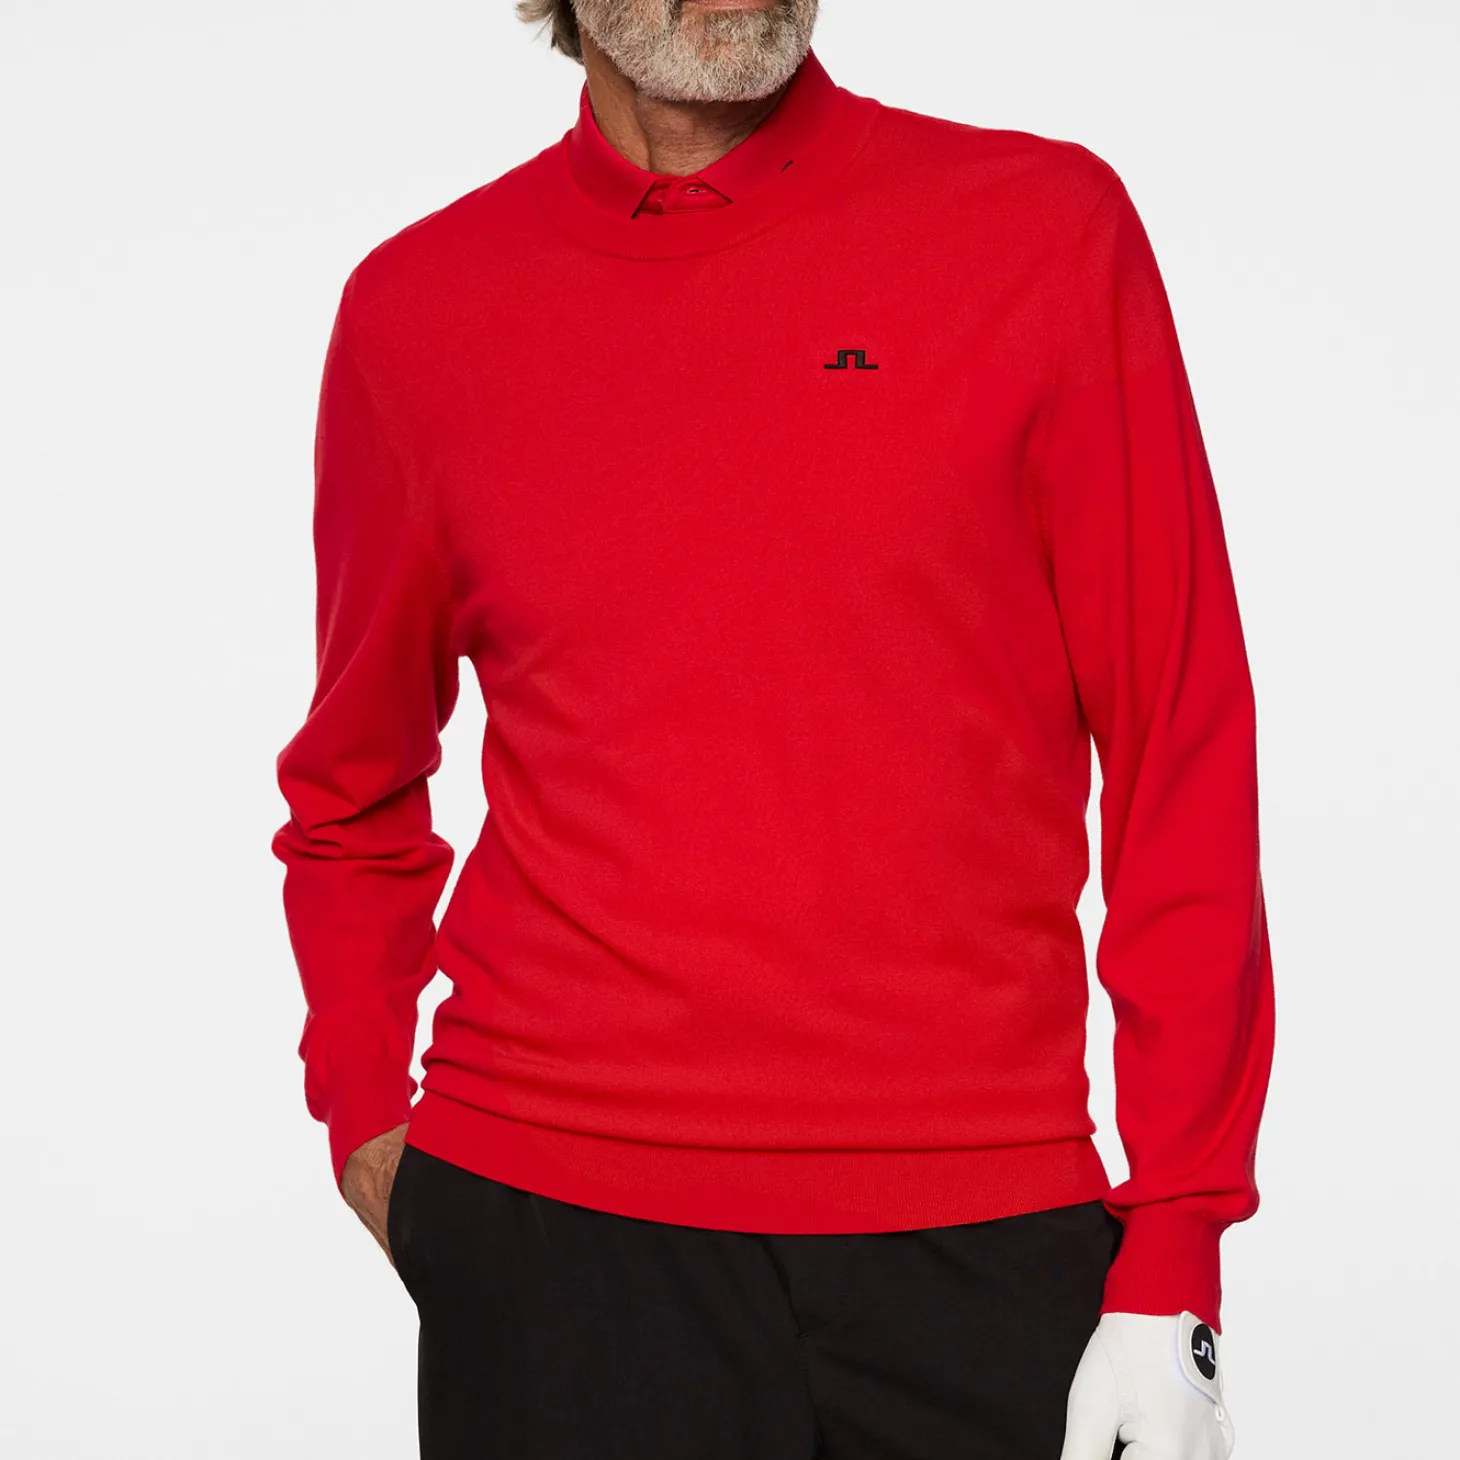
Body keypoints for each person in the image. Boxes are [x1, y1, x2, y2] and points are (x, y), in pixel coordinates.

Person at [270, 2, 1275, 1456]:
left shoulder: (1042, 232)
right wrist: (371, 1115)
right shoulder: (420, 311)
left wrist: (1177, 1237)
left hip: (981, 1227)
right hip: (552, 1238)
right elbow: (353, 784)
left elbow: (1180, 738)